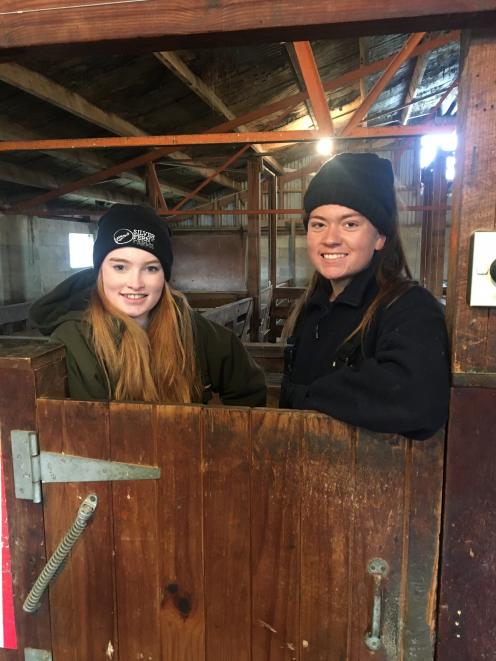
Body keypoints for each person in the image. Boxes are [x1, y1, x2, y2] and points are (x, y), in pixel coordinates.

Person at [279, 152, 450, 440]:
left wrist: (302, 396)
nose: (330, 238)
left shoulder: (408, 307)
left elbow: (418, 399)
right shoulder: (312, 308)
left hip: (372, 481)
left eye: (350, 224)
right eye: (318, 223)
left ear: (380, 237)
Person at [30, 204, 266, 407]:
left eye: (151, 268)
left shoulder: (191, 328)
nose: (135, 283)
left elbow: (248, 387)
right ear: (100, 271)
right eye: (120, 267)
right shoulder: (75, 339)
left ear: (164, 275)